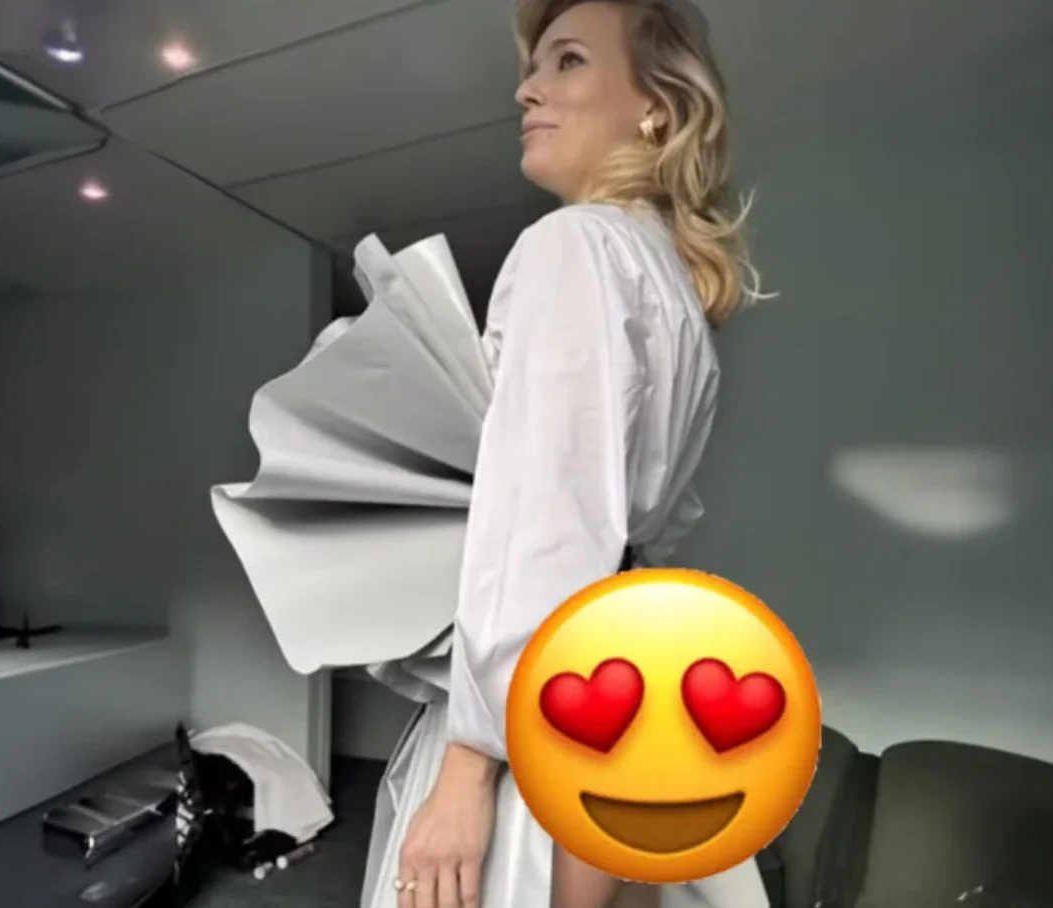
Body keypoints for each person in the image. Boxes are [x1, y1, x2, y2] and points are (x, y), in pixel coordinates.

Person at [361, 1, 768, 907]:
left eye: (569, 60)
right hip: (624, 690)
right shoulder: (675, 290)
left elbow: (544, 523)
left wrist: (468, 769)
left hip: (533, 719)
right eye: (533, 66)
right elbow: (638, 529)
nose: (527, 89)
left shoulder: (573, 245)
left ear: (656, 105)